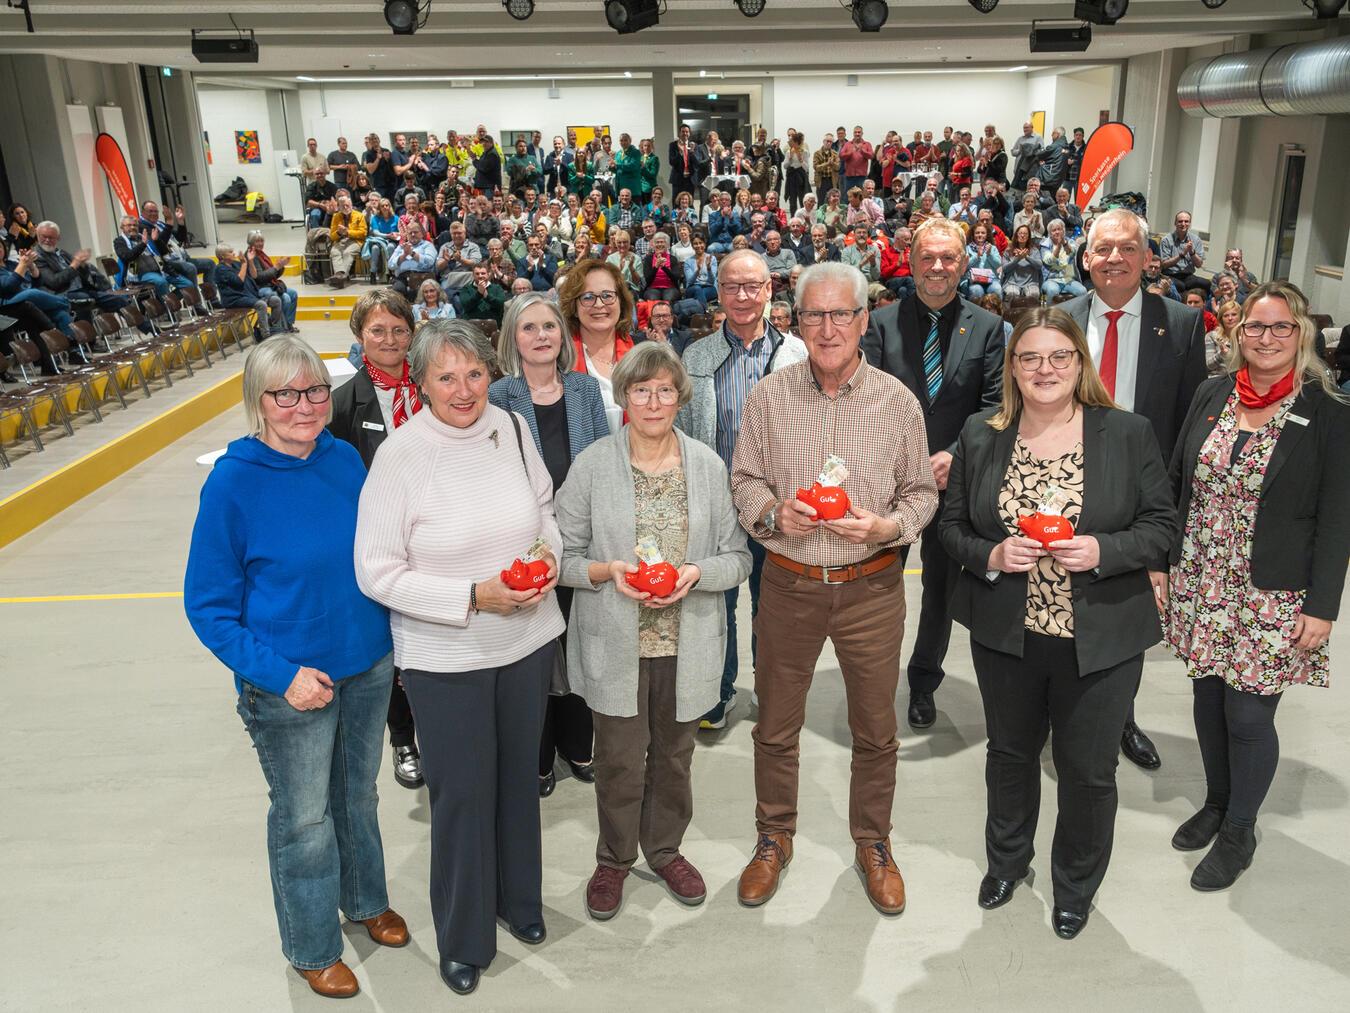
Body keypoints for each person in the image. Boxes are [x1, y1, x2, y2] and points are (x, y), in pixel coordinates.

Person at [939, 307, 1176, 940]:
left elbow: (1161, 526)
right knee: (1010, 756)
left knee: (1088, 772)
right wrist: (990, 555)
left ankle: (1075, 886)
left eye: (1058, 357)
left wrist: (1105, 550)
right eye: (1029, 358)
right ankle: (1007, 862)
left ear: (1078, 363)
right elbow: (952, 527)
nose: (1044, 369)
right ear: (1012, 367)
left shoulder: (1126, 433)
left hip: (1100, 640)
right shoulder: (982, 432)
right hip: (1007, 634)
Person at [184, 336, 406, 1000]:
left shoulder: (342, 459)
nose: (304, 405)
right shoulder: (233, 481)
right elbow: (209, 606)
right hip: (289, 683)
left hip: (365, 664)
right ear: (259, 402)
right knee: (305, 817)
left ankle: (365, 898)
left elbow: (376, 553)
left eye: (314, 390)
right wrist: (281, 675)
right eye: (285, 393)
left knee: (358, 796)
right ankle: (312, 945)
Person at [354, 320, 564, 997]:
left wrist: (548, 561)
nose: (464, 389)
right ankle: (464, 934)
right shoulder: (402, 456)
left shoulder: (511, 427)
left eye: (474, 373)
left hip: (526, 641)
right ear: (421, 383)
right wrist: (473, 595)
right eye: (446, 376)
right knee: (463, 795)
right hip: (446, 656)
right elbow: (376, 571)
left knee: (516, 781)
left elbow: (545, 512)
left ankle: (518, 902)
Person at [730, 261, 937, 915]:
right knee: (775, 724)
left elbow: (922, 493)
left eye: (839, 314)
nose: (826, 327)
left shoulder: (898, 402)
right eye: (813, 314)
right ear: (797, 318)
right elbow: (744, 479)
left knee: (876, 729)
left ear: (861, 320)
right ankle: (773, 836)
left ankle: (873, 842)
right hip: (789, 584)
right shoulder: (770, 396)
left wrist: (888, 526)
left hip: (872, 589)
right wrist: (772, 513)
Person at [1161, 281, 1350, 891]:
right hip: (1203, 577)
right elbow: (1177, 481)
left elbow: (1337, 518)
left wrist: (1323, 607)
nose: (1266, 339)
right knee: (1208, 701)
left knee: (1247, 714)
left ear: (1303, 336)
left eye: (1280, 328)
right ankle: (1217, 802)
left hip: (1273, 589)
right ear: (1237, 335)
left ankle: (1240, 828)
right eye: (1254, 328)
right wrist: (1162, 561)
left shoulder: (1328, 413)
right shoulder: (1213, 394)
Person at [552, 341, 749, 919]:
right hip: (616, 641)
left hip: (685, 643)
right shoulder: (592, 466)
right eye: (642, 390)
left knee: (675, 756)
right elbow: (560, 557)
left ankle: (664, 849)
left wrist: (696, 572)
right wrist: (608, 572)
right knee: (617, 757)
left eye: (665, 389)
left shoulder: (708, 468)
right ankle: (614, 858)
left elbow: (737, 557)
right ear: (624, 397)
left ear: (680, 397)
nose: (654, 400)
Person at [1062, 208, 1207, 770]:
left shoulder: (1183, 324)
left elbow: (1190, 418)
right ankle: (1060, 708)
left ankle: (1119, 716)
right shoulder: (1061, 317)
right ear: (1087, 258)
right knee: (1062, 599)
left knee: (1125, 608)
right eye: (1104, 249)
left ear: (1148, 258)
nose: (1115, 259)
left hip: (1142, 491)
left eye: (1127, 249)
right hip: (1066, 480)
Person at [862, 217, 1005, 729]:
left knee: (941, 591)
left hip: (954, 481)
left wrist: (952, 454)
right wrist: (909, 461)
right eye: (928, 257)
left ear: (964, 264)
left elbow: (994, 404)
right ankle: (876, 680)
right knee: (880, 591)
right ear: (911, 261)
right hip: (889, 486)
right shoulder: (878, 323)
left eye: (949, 258)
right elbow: (868, 401)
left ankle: (924, 681)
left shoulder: (988, 328)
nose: (938, 267)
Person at [674, 250, 808, 731]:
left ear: (770, 290)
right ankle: (718, 690)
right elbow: (686, 433)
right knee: (716, 606)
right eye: (732, 287)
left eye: (752, 286)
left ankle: (772, 692)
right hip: (721, 507)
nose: (743, 296)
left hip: (779, 508)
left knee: (773, 608)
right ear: (719, 293)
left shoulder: (797, 354)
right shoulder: (698, 357)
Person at [489, 293, 610, 797]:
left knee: (580, 645)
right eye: (529, 327)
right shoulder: (498, 396)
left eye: (549, 326)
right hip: (526, 546)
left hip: (580, 542)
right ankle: (537, 756)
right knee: (535, 652)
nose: (541, 336)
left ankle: (578, 745)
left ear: (563, 335)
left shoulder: (584, 390)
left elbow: (604, 460)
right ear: (512, 337)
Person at [326, 290, 427, 790]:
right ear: (359, 336)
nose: (389, 340)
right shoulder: (343, 404)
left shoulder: (435, 388)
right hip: (383, 542)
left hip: (435, 538)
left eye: (399, 330)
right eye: (377, 331)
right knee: (390, 644)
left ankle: (438, 728)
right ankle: (403, 737)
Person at [559, 259, 636, 432]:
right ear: (574, 306)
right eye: (588, 297)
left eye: (608, 295)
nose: (599, 304)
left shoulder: (640, 354)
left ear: (621, 302)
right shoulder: (559, 359)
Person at [213, 243, 284, 341]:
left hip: (249, 295)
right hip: (234, 299)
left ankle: (272, 327)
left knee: (276, 300)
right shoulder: (220, 269)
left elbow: (254, 275)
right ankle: (265, 336)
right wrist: (244, 264)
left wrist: (250, 261)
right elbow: (238, 282)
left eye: (232, 251)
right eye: (230, 252)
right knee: (261, 304)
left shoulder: (236, 264)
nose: (234, 253)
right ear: (222, 256)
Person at [243, 230, 299, 334]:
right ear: (251, 243)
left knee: (293, 294)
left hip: (269, 285)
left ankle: (288, 324)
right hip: (259, 288)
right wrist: (276, 267)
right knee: (286, 298)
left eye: (262, 241)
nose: (260, 243)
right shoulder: (251, 256)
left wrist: (280, 267)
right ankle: (277, 327)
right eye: (257, 241)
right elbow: (259, 278)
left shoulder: (261, 254)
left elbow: (272, 274)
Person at [1160, 210, 1209, 294]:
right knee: (1180, 286)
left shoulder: (1196, 240)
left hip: (1188, 276)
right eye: (1180, 221)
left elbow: (1199, 265)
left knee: (1206, 283)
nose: (1183, 224)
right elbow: (1164, 264)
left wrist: (1192, 252)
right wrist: (1182, 254)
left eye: (1186, 221)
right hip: (1171, 275)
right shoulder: (1166, 240)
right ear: (1175, 223)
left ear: (1189, 223)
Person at [326, 192, 367, 289]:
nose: (345, 207)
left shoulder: (359, 216)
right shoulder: (336, 216)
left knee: (348, 252)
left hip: (355, 241)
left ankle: (339, 277)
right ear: (339, 207)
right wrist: (339, 233)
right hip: (340, 241)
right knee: (334, 251)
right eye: (342, 206)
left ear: (351, 205)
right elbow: (332, 236)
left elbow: (363, 233)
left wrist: (347, 232)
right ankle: (340, 276)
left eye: (347, 205)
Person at [1040, 220, 1085, 302]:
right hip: (1051, 279)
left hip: (1068, 279)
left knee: (1082, 291)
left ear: (1063, 231)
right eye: (1054, 230)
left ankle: (1078, 314)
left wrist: (1064, 243)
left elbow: (1072, 253)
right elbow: (1049, 261)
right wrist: (1058, 246)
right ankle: (1050, 313)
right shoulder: (1045, 244)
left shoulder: (1070, 242)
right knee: (1052, 290)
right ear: (1050, 233)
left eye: (1059, 229)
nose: (1057, 232)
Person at [1000, 226, 1043, 302]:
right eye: (1020, 233)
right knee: (1012, 293)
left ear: (1028, 236)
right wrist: (1017, 259)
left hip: (1031, 283)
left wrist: (1027, 257)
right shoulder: (1008, 250)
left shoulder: (1034, 250)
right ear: (1016, 235)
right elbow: (1005, 269)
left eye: (1025, 234)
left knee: (1034, 294)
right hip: (1012, 282)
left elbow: (1039, 266)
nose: (1022, 235)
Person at [1205, 299, 1241, 377]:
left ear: (1241, 317)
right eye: (1226, 315)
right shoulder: (1212, 336)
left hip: (1240, 379)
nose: (1230, 318)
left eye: (1234, 314)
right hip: (1217, 380)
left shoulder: (1246, 337)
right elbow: (1207, 366)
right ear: (1221, 319)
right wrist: (1221, 355)